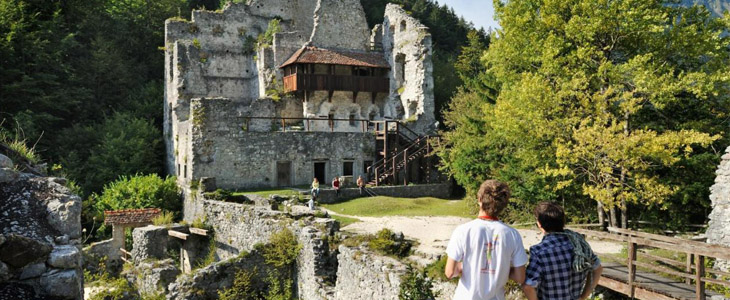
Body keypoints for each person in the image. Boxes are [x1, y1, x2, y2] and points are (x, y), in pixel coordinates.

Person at [445, 180, 528, 300]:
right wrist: (502, 270)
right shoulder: (512, 234)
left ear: (479, 199)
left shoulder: (463, 231)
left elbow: (450, 272)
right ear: (504, 205)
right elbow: (520, 277)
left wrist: (466, 267)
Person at [522, 202, 603, 300]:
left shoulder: (539, 251)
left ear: (539, 224)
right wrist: (583, 297)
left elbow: (528, 286)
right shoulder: (579, 243)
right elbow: (597, 269)